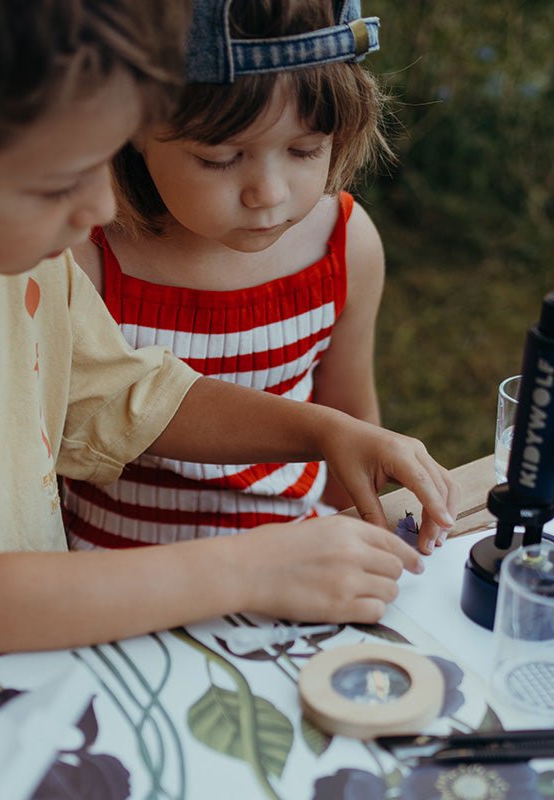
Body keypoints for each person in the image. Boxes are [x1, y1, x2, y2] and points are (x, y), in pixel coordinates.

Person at [0, 0, 458, 656]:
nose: (99, 205)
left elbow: (119, 394)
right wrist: (256, 568)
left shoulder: (14, 266)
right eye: (57, 182)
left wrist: (326, 430)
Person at [63, 0, 401, 552]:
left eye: (304, 149)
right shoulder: (89, 252)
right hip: (120, 585)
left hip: (296, 566)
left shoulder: (344, 243)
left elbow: (352, 422)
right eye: (220, 158)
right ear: (134, 125)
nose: (267, 193)